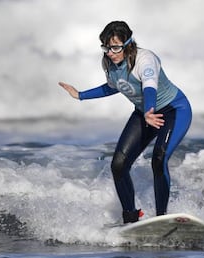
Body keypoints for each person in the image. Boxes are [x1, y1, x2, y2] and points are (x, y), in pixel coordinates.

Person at [59, 21, 192, 224]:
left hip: (175, 110)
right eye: (106, 47)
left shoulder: (145, 59)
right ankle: (130, 218)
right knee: (119, 165)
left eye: (115, 47)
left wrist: (149, 111)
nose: (110, 53)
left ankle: (162, 218)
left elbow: (149, 87)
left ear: (128, 43)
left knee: (158, 159)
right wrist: (80, 95)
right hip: (144, 113)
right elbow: (115, 86)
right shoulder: (109, 63)